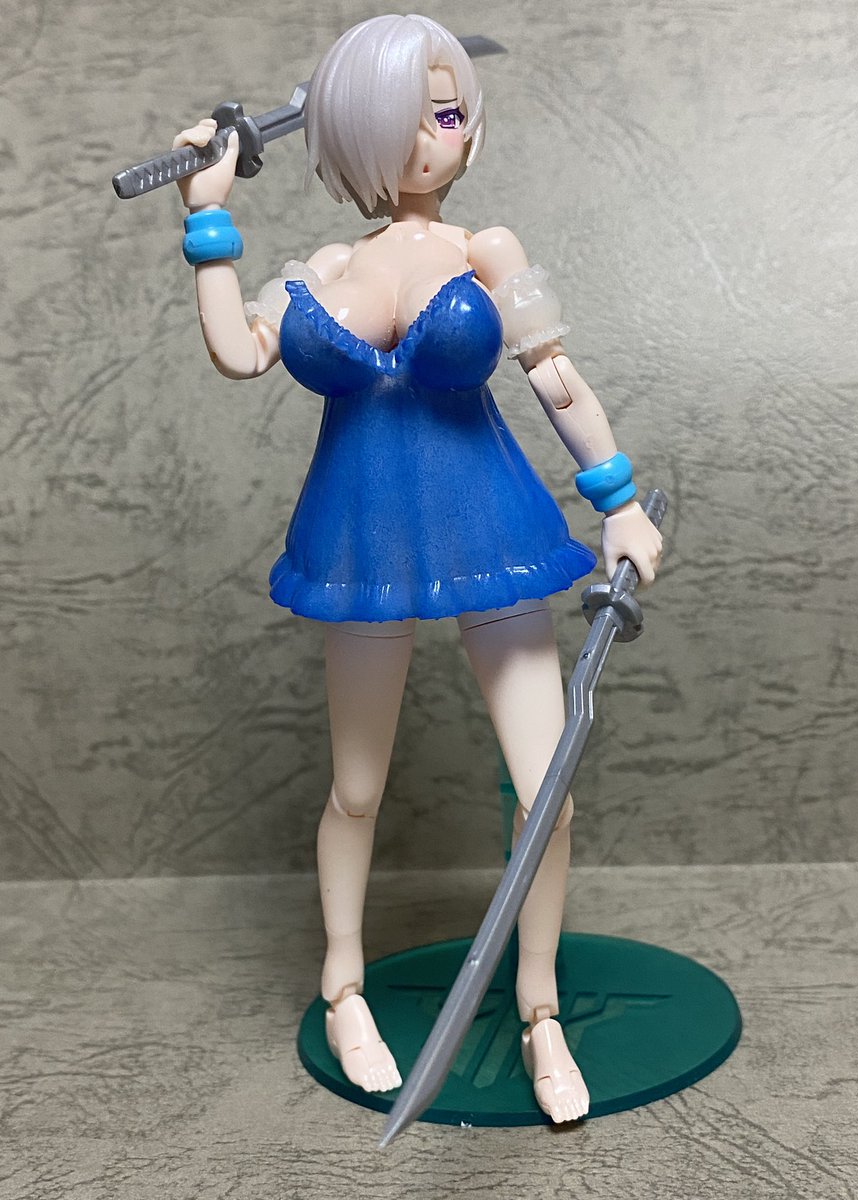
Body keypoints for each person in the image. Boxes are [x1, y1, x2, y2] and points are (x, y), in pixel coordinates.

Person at [174, 13, 662, 1124]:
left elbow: (556, 377)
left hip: (491, 531)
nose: (430, 138)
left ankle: (539, 1008)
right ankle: (343, 984)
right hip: (363, 544)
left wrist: (620, 501)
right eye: (400, 118)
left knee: (547, 794)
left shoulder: (485, 250)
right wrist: (207, 215)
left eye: (445, 114)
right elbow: (240, 351)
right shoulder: (326, 268)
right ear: (350, 132)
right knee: (356, 788)